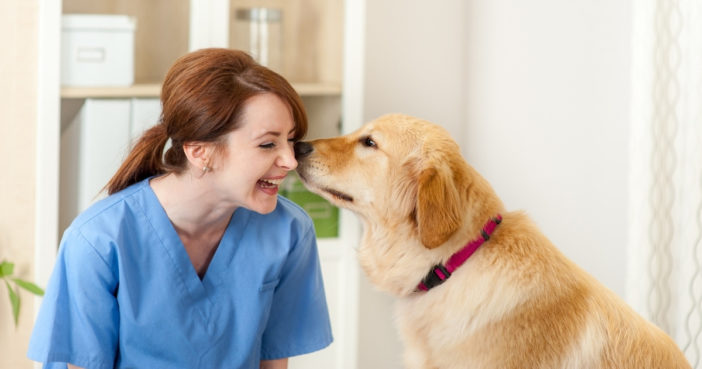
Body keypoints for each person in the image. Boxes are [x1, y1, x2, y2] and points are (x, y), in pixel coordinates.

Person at [27, 48, 333, 369]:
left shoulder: (289, 232)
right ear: (201, 152)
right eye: (268, 144)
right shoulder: (98, 241)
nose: (290, 161)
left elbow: (272, 362)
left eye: (291, 140)